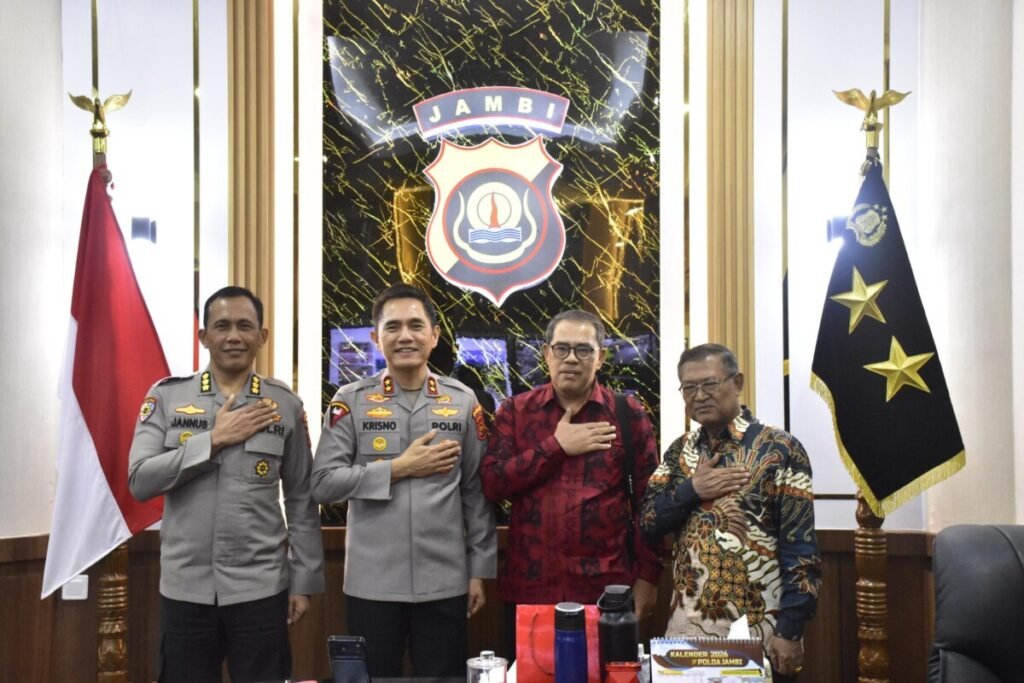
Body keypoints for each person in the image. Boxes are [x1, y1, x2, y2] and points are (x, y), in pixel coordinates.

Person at [128, 286, 325, 683]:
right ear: (204, 336)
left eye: (244, 326)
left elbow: (302, 499)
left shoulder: (284, 405)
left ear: (262, 336)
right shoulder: (167, 397)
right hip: (186, 589)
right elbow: (140, 480)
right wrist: (213, 441)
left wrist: (303, 582)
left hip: (260, 589)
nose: (233, 336)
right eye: (222, 326)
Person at [311, 283, 496, 677]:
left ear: (435, 335)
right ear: (376, 338)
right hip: (372, 584)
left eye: (416, 325)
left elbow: (476, 493)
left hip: (444, 582)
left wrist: (478, 570)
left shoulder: (462, 400)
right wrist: (398, 468)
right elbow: (323, 483)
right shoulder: (351, 400)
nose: (405, 336)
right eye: (392, 327)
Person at [480, 309, 662, 653]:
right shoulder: (516, 412)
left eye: (583, 350)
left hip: (607, 591)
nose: (572, 359)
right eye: (561, 348)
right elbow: (492, 483)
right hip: (530, 591)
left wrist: (648, 579)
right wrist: (556, 447)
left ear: (600, 357)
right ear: (547, 354)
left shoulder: (627, 414)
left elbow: (649, 505)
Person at [640, 344, 822, 681]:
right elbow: (648, 524)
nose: (699, 395)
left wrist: (791, 629)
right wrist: (691, 490)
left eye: (709, 384)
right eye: (689, 387)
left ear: (737, 383)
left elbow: (801, 549)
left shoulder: (780, 448)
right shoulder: (679, 452)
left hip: (760, 635)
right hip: (685, 637)